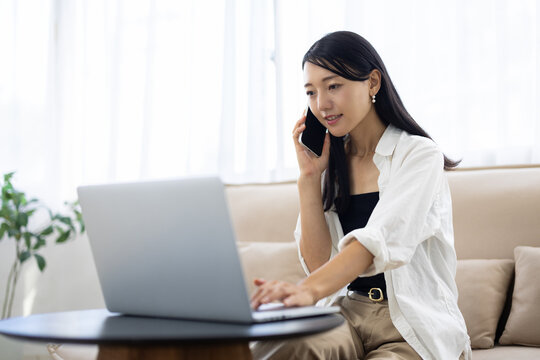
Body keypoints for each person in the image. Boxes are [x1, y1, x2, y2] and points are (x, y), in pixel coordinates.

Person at [250, 31, 471, 360]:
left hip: (411, 322)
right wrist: (310, 178)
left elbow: (376, 240)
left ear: (372, 83)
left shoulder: (418, 155)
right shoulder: (333, 162)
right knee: (273, 348)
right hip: (348, 314)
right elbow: (318, 263)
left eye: (333, 86)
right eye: (311, 92)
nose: (321, 104)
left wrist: (305, 291)